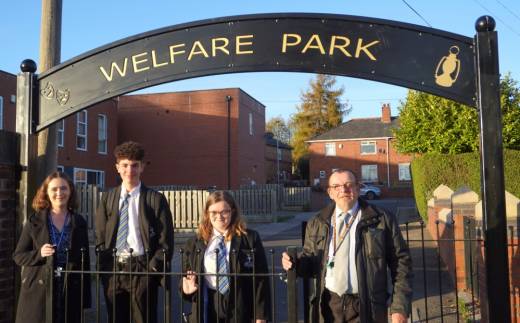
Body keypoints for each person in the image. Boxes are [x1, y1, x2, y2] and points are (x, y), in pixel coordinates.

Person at [282, 169, 413, 323]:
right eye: (336, 186)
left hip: (366, 306)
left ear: (358, 188)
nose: (343, 190)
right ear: (330, 193)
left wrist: (399, 307)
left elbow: (401, 264)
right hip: (328, 307)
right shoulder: (317, 222)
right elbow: (311, 263)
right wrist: (295, 263)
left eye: (348, 184)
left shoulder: (381, 219)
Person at [95, 141, 174, 323]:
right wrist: (105, 267)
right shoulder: (108, 198)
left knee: (143, 319)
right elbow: (99, 235)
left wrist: (152, 268)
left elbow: (166, 239)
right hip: (114, 269)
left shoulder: (155, 199)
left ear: (142, 167)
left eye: (134, 165)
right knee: (115, 318)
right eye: (124, 165)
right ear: (117, 168)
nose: (129, 170)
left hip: (142, 268)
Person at [181, 190, 271, 323]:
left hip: (240, 305)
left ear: (233, 211)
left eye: (225, 211)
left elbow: (261, 279)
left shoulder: (250, 238)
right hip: (208, 305)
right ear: (207, 213)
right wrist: (186, 290)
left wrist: (261, 316)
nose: (220, 216)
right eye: (214, 212)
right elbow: (186, 278)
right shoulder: (194, 243)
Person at [13, 171, 91, 323]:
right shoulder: (34, 221)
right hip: (39, 289)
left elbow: (85, 261)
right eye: (54, 189)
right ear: (46, 193)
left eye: (64, 188)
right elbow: (18, 256)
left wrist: (85, 299)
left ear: (70, 191)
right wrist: (39, 253)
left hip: (69, 289)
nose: (59, 193)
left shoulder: (79, 221)